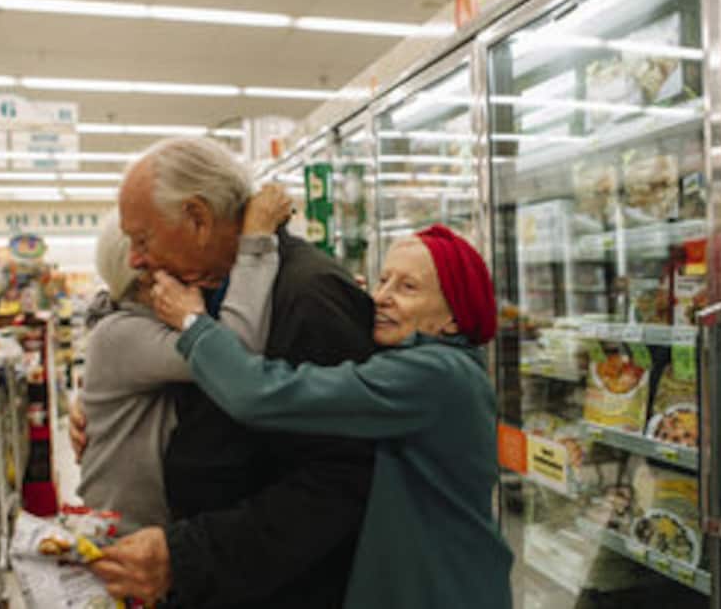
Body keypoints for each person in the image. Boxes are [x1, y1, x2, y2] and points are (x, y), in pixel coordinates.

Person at [71, 136, 377, 608]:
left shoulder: (308, 296)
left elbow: (339, 483)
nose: (133, 259)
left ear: (197, 218)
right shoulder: (211, 286)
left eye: (142, 239)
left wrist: (186, 556)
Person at [148, 224, 514, 609]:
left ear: (453, 319)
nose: (382, 298)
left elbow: (261, 395)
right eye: (383, 281)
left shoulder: (435, 376)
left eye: (408, 288)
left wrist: (194, 324)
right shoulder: (436, 367)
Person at [75, 186, 289, 531]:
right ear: (146, 275)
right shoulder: (123, 333)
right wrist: (255, 244)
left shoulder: (128, 326)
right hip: (127, 539)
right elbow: (232, 355)